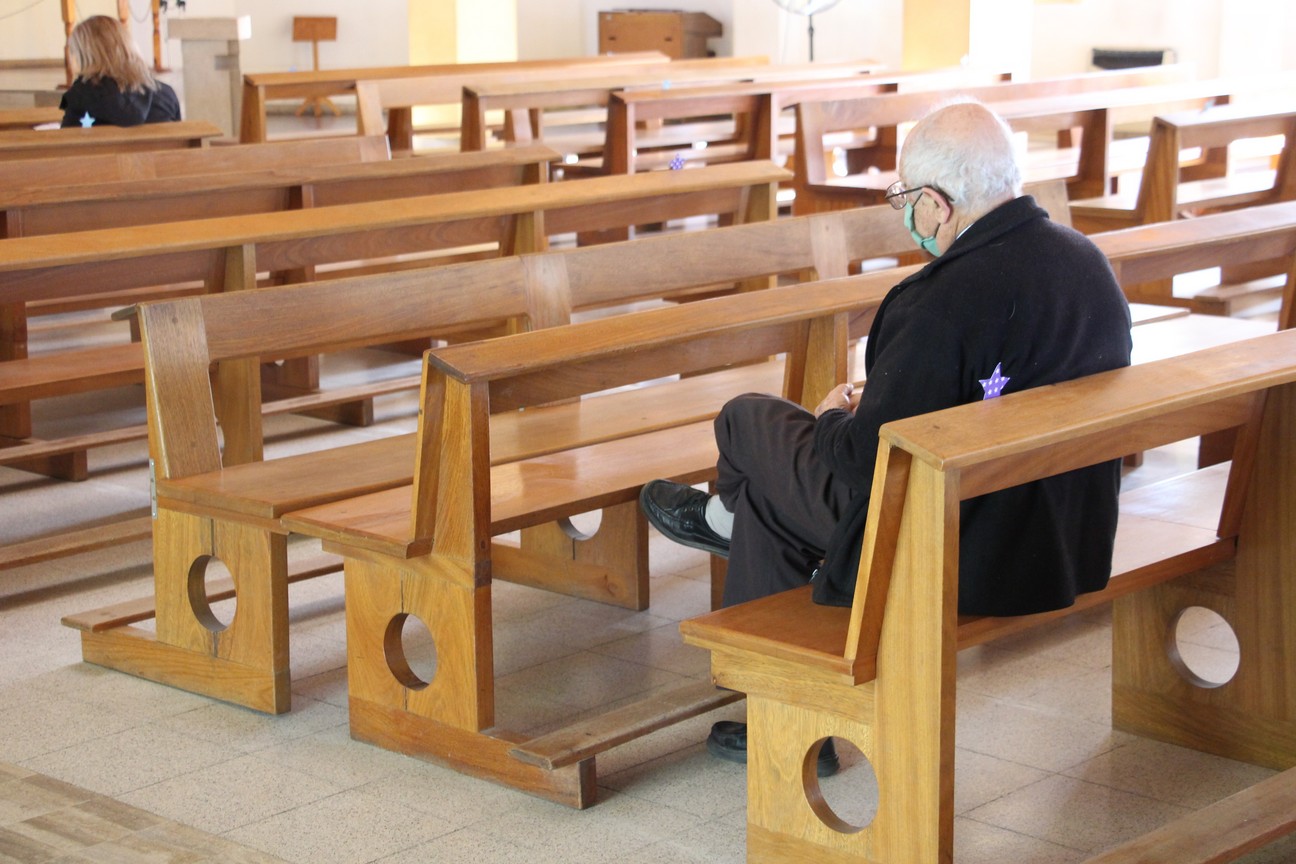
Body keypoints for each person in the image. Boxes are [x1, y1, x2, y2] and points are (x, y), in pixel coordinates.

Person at [640, 100, 1133, 774]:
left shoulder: (940, 298)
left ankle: (727, 534)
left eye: (906, 199)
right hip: (1059, 533)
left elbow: (862, 464)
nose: (908, 215)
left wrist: (831, 417)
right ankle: (776, 686)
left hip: (947, 543)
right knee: (769, 503)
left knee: (748, 419)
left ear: (936, 204)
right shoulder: (1087, 265)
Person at [60, 15, 181, 129]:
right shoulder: (166, 94)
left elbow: (65, 141)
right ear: (128, 46)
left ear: (83, 56)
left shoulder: (78, 97)